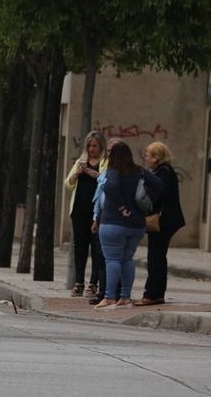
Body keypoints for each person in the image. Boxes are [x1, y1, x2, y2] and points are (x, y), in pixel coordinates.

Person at [92, 140, 161, 310]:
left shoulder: (113, 171)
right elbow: (158, 184)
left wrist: (122, 207)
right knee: (127, 260)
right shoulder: (139, 171)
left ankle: (109, 297)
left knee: (112, 260)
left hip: (113, 222)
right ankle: (125, 297)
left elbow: (111, 187)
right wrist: (147, 203)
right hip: (136, 224)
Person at [137, 141, 185, 306]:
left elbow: (158, 192)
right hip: (166, 220)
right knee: (158, 257)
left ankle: (152, 294)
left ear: (156, 157)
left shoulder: (163, 171)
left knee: (155, 258)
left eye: (148, 155)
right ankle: (157, 293)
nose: (146, 158)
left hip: (163, 221)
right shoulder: (163, 171)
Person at [64, 131, 107, 297]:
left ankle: (93, 283)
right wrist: (76, 174)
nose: (91, 149)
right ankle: (79, 282)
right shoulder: (80, 162)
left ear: (100, 146)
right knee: (79, 246)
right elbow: (68, 184)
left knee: (96, 247)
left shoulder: (105, 163)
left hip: (96, 211)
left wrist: (97, 175)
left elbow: (108, 182)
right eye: (89, 146)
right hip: (79, 210)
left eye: (95, 146)